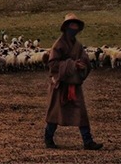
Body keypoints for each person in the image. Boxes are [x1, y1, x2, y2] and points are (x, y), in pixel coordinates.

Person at [44, 13, 103, 150]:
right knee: (55, 113)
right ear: (66, 27)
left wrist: (82, 65)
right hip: (60, 85)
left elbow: (85, 61)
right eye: (72, 25)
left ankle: (87, 141)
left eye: (76, 26)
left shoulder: (78, 46)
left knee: (81, 113)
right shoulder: (58, 45)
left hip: (74, 85)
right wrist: (71, 65)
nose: (74, 28)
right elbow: (53, 64)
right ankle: (48, 138)